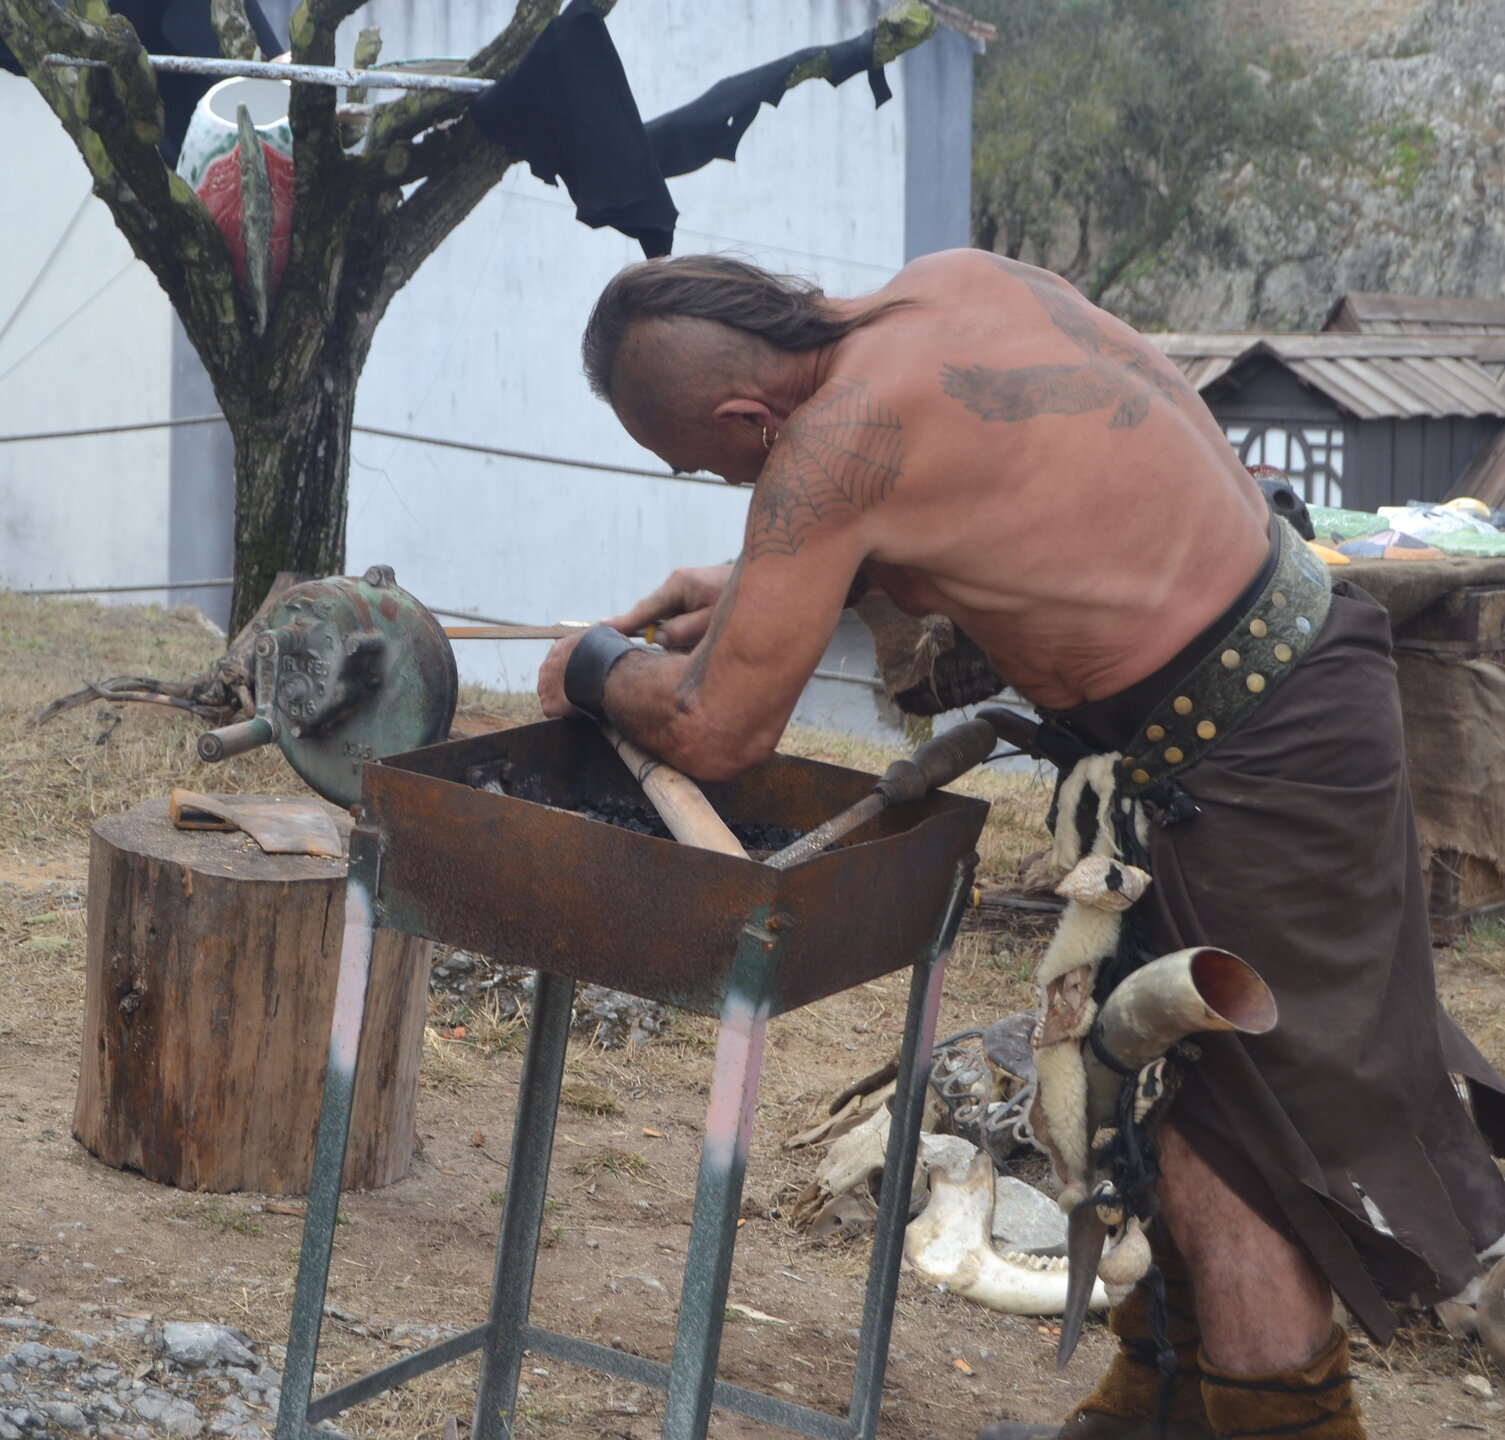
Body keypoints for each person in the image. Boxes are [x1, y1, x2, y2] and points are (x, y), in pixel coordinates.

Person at [537, 250, 1505, 1440]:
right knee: (1148, 1077)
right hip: (1263, 700)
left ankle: (1285, 1418)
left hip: (1258, 754)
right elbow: (999, 497)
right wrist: (759, 577)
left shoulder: (830, 443)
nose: (725, 481)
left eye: (707, 463)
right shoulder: (950, 285)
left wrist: (591, 666)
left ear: (747, 414)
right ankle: (1156, 1401)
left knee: (1236, 1144)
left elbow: (716, 726)